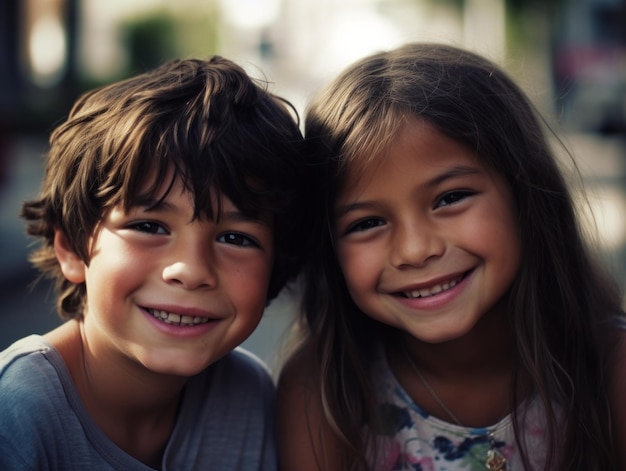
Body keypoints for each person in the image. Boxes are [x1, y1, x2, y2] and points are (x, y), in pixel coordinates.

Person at [277, 43, 626, 470]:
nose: (416, 250)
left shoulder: (611, 369)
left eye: (451, 198)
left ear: (525, 194)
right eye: (366, 223)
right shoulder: (323, 393)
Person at [0, 56, 312, 470]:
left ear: (277, 263)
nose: (191, 269)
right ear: (72, 248)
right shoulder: (17, 414)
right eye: (149, 226)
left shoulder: (248, 397)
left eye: (236, 238)